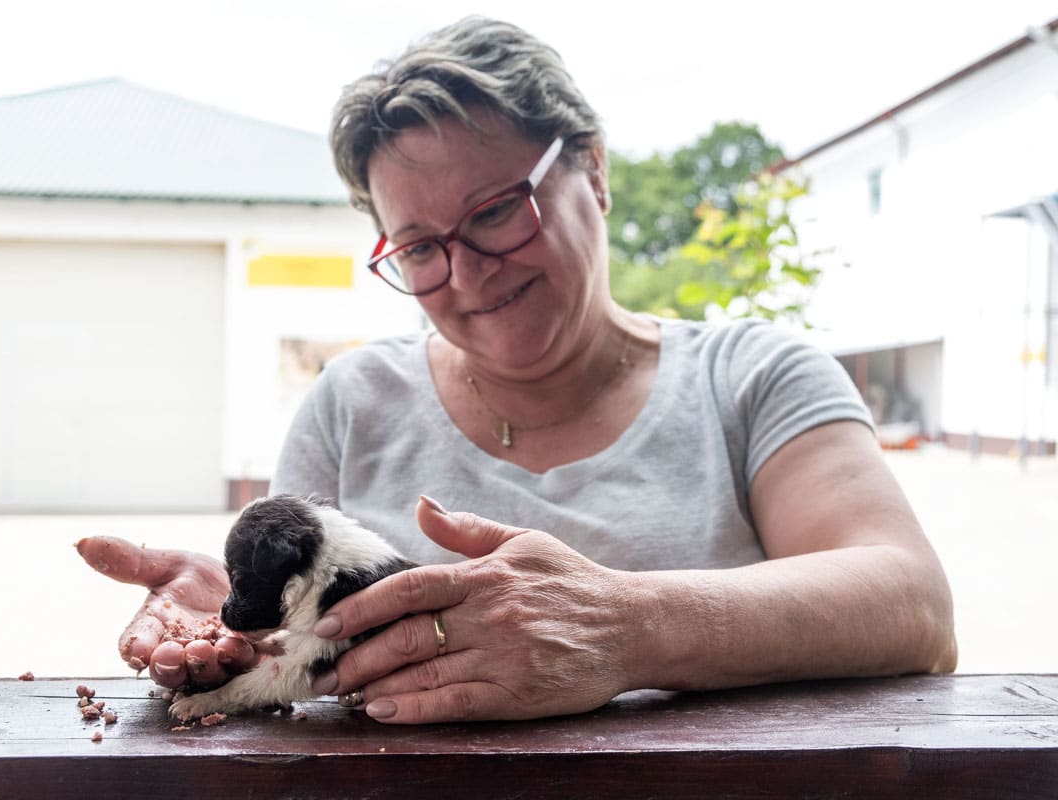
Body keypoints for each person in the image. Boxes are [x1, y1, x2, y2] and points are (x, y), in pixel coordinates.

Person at [79, 16, 957, 724]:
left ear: (594, 170)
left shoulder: (753, 376)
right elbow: (299, 661)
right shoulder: (350, 402)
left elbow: (912, 606)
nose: (467, 274)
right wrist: (239, 624)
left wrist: (626, 627)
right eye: (419, 248)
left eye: (497, 210)